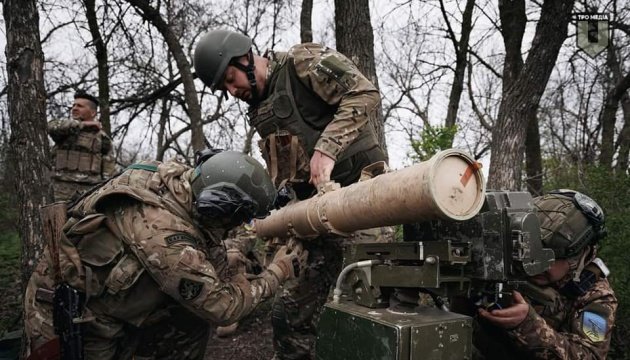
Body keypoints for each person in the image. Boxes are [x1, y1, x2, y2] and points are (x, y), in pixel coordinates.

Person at [193, 30, 392, 359]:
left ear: (244, 57)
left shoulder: (301, 61)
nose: (232, 91)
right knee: (288, 314)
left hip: (362, 201)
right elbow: (286, 168)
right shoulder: (260, 110)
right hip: (310, 215)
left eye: (230, 78)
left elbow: (364, 94)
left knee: (366, 314)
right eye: (224, 89)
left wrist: (327, 149)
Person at [24, 151, 308, 359]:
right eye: (237, 220)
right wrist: (278, 272)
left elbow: (205, 241)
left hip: (110, 290)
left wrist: (227, 261)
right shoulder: (165, 236)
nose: (237, 228)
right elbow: (224, 308)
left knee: (190, 323)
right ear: (218, 208)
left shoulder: (175, 181)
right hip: (77, 316)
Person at [474, 190, 617, 359]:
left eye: (548, 258)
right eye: (529, 254)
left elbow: (589, 355)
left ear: (577, 257)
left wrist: (528, 325)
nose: (532, 265)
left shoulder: (597, 298)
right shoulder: (514, 259)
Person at [48, 91, 116, 202]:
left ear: (93, 113)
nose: (74, 108)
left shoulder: (102, 138)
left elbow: (109, 171)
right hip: (60, 190)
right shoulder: (65, 130)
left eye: (79, 106)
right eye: (73, 105)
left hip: (89, 192)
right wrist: (83, 125)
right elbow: (51, 127)